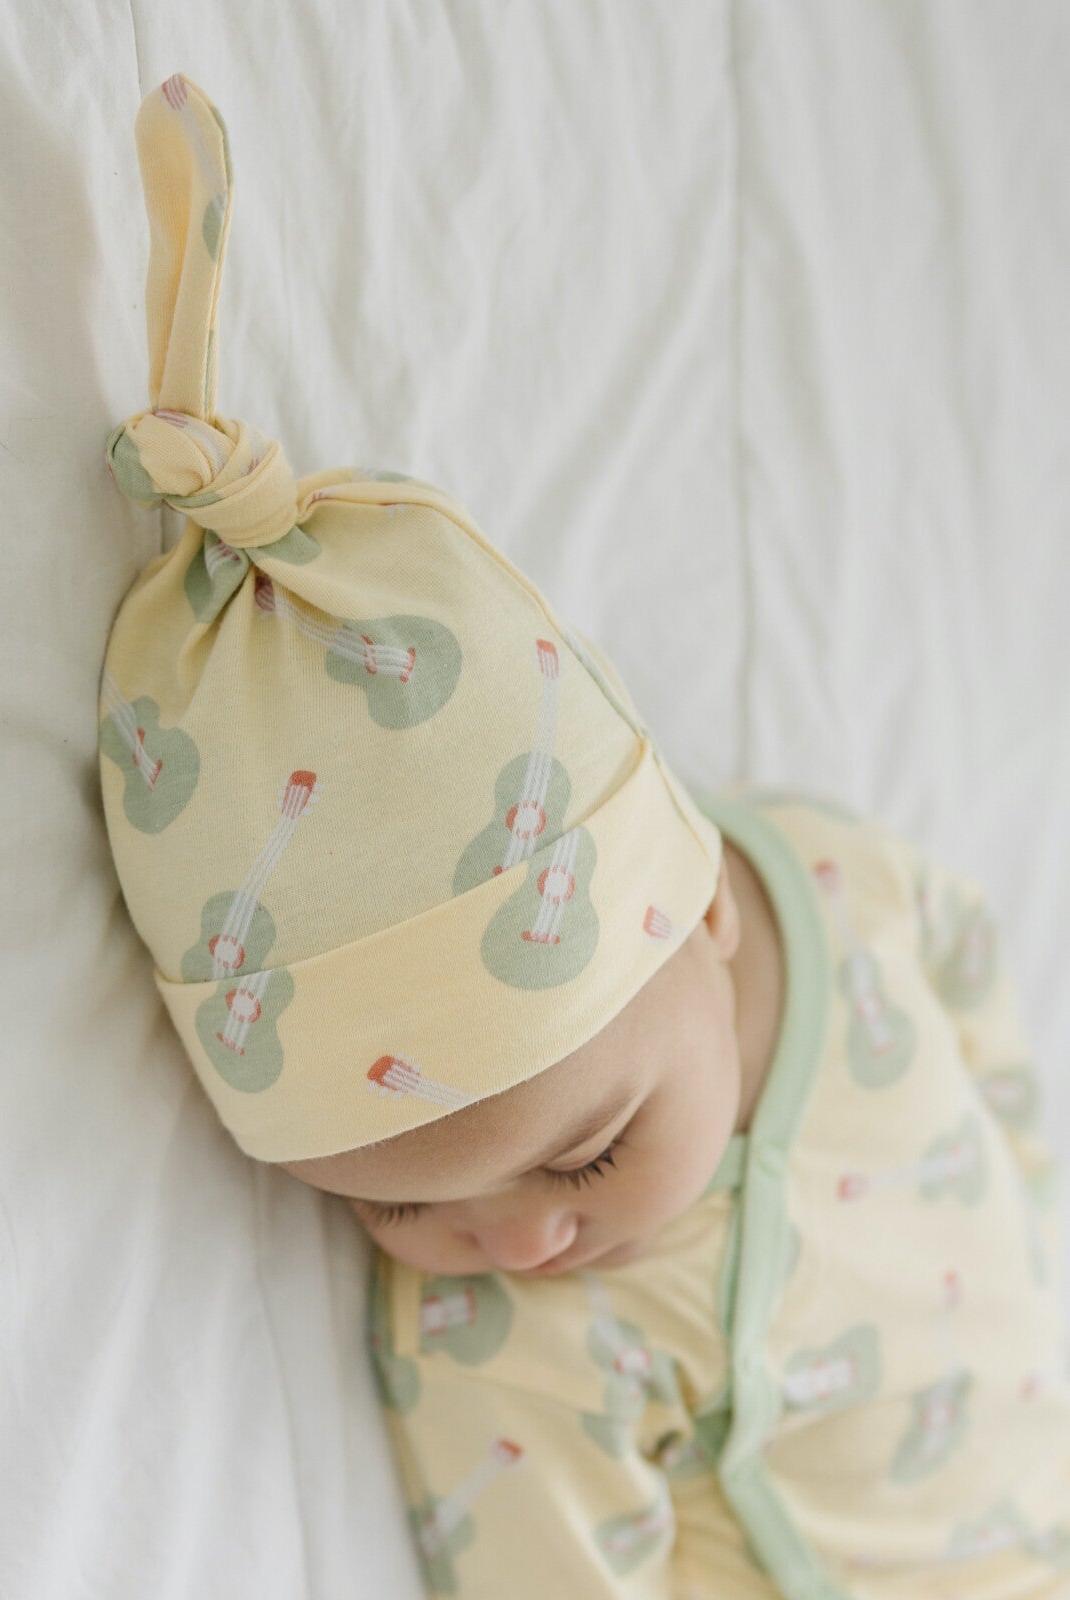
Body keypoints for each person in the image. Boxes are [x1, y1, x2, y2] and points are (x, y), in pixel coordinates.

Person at [96, 74, 1070, 1598]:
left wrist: (1027, 1183)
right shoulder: (507, 1337)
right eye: (398, 1209)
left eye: (587, 1155)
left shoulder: (831, 883)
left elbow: (961, 957)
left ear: (703, 909)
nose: (520, 1243)